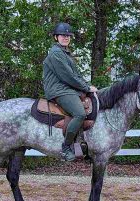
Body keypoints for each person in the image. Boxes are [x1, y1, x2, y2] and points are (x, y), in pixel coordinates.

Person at [42, 22, 98, 162]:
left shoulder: (65, 53)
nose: (66, 37)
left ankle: (85, 147)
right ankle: (66, 147)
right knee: (79, 113)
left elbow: (76, 75)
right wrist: (85, 88)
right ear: (56, 37)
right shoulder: (56, 54)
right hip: (58, 90)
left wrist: (87, 85)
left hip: (67, 88)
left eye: (68, 35)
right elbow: (67, 76)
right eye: (62, 35)